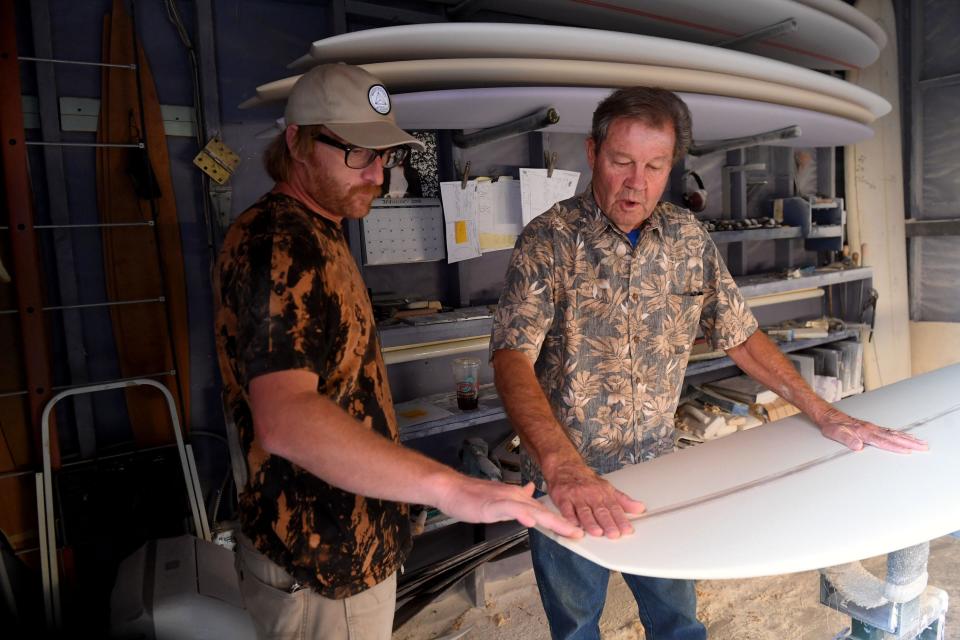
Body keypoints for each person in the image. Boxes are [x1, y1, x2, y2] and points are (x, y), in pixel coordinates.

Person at [490, 86, 927, 640]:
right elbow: (510, 359)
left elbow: (742, 337)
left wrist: (824, 412)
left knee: (679, 622)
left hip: (660, 474)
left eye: (654, 165)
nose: (636, 182)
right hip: (567, 482)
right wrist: (562, 467)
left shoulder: (687, 239)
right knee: (576, 627)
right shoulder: (549, 241)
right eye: (622, 161)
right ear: (592, 152)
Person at [213, 63, 582, 640]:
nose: (378, 174)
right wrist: (453, 488)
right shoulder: (278, 243)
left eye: (385, 156)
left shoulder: (319, 228)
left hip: (344, 551)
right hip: (321, 565)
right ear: (298, 142)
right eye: (359, 153)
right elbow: (285, 419)